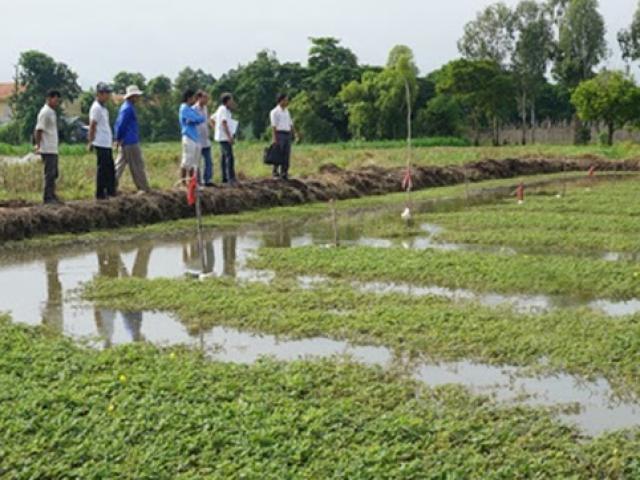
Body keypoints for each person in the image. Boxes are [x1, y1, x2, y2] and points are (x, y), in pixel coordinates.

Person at [114, 85, 150, 192]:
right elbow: (121, 124)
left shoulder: (126, 107)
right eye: (137, 96)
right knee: (137, 166)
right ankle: (143, 188)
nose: (138, 98)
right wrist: (118, 137)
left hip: (126, 141)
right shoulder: (128, 109)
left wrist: (118, 138)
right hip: (130, 141)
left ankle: (111, 186)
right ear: (132, 96)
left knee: (119, 165)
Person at [87, 82, 116, 199]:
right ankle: (100, 193)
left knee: (109, 168)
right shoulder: (96, 108)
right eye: (105, 93)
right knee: (102, 168)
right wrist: (91, 141)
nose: (108, 96)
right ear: (99, 94)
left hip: (106, 142)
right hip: (100, 142)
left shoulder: (103, 109)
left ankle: (110, 190)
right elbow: (92, 125)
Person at [34, 90, 62, 204]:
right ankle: (48, 197)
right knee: (49, 173)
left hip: (53, 148)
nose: (57, 102)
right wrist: (38, 145)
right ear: (49, 98)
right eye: (55, 100)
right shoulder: (45, 112)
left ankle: (52, 194)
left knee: (54, 173)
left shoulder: (52, 112)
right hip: (47, 148)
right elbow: (39, 130)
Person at [179, 89, 206, 185]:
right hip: (188, 136)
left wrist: (197, 119)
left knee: (194, 162)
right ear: (189, 98)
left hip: (194, 137)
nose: (194, 100)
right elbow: (196, 118)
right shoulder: (184, 108)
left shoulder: (190, 109)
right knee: (187, 160)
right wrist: (196, 119)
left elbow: (200, 118)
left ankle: (191, 183)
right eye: (193, 98)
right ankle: (183, 182)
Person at [270, 93, 297, 180]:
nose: (287, 101)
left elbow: (290, 123)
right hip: (279, 133)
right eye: (285, 100)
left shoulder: (287, 111)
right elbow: (273, 126)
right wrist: (274, 138)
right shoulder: (274, 112)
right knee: (278, 153)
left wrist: (294, 133)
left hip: (287, 133)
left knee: (286, 154)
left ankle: (284, 173)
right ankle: (275, 172)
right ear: (280, 100)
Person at [213, 93, 238, 185]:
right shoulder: (223, 109)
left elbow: (212, 119)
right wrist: (229, 136)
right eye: (231, 100)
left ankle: (225, 177)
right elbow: (224, 123)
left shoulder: (224, 110)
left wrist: (216, 129)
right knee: (229, 157)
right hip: (224, 137)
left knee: (224, 157)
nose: (232, 102)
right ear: (227, 101)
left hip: (222, 136)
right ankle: (230, 178)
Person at [193, 91, 214, 186]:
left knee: (208, 161)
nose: (206, 100)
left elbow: (207, 120)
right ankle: (198, 181)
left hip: (205, 139)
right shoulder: (193, 109)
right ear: (199, 98)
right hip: (197, 139)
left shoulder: (205, 108)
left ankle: (208, 179)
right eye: (205, 98)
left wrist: (213, 127)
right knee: (197, 162)